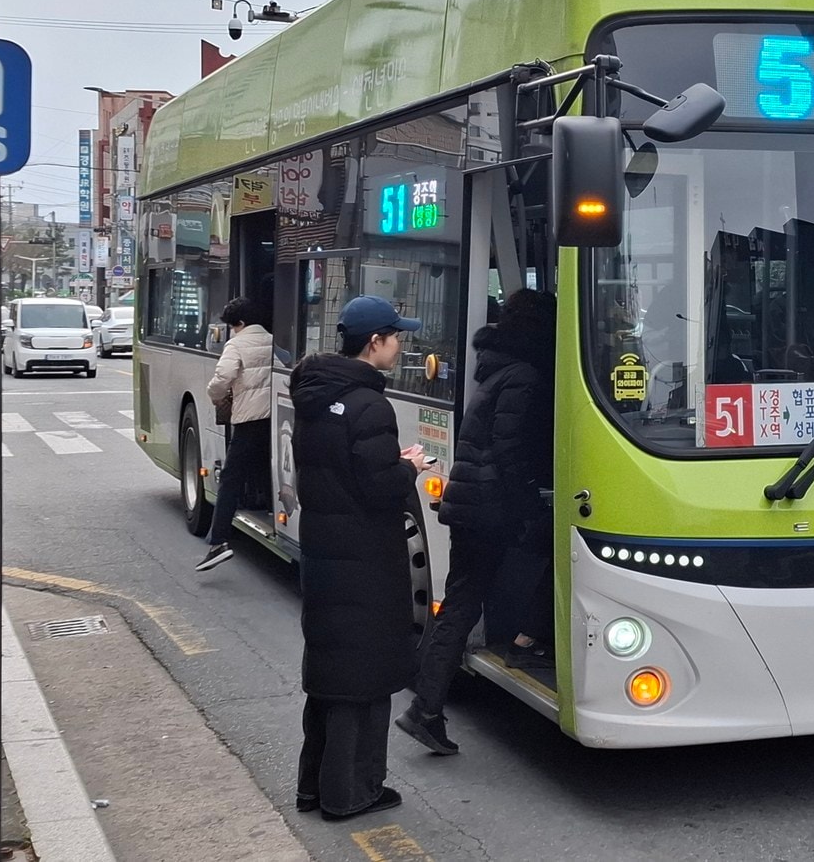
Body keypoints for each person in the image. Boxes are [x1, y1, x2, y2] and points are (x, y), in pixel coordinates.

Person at [396, 289, 556, 757]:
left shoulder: (496, 367)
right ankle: (425, 708)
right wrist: (529, 503)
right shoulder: (524, 376)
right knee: (467, 603)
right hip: (489, 506)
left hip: (473, 503)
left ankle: (424, 703)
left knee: (464, 600)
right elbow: (510, 451)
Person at [290, 295, 425, 821]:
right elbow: (377, 488)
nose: (400, 346)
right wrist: (408, 466)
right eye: (396, 338)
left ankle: (313, 787)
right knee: (364, 677)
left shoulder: (315, 395)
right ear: (375, 342)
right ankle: (351, 793)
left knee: (329, 671)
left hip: (324, 551)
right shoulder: (371, 405)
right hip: (365, 559)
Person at [195, 297, 273, 572]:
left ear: (239, 323)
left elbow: (223, 378)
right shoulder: (273, 341)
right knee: (266, 466)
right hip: (271, 418)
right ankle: (274, 514)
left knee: (230, 479)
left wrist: (215, 396)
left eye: (232, 325)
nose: (231, 330)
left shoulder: (237, 344)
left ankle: (218, 543)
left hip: (248, 419)